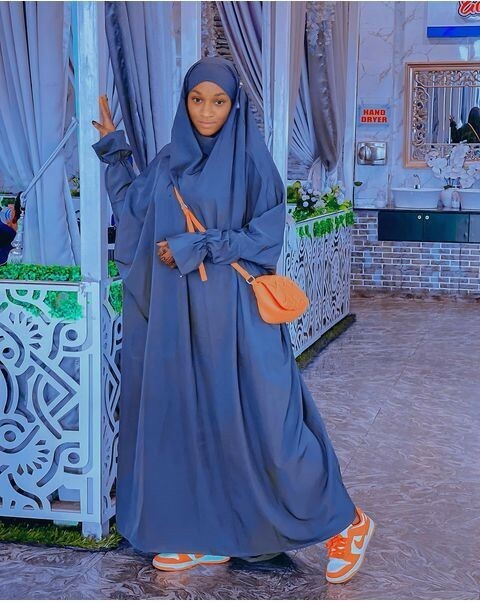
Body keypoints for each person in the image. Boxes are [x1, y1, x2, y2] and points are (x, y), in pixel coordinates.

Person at [92, 57, 375, 584]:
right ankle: (207, 535)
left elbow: (265, 238)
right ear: (184, 102)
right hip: (183, 320)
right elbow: (132, 211)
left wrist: (197, 245)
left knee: (270, 427)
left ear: (234, 105)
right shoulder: (169, 162)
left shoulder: (251, 162)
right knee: (193, 423)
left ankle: (347, 522)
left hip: (240, 320)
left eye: (218, 101)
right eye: (197, 99)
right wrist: (114, 149)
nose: (206, 111)